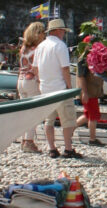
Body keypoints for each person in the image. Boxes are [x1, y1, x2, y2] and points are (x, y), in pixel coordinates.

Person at [33, 18, 82, 159]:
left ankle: (52, 148)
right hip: (60, 88)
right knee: (68, 120)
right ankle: (68, 148)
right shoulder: (60, 46)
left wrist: (41, 81)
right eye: (63, 31)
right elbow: (65, 68)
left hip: (45, 88)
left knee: (49, 120)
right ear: (59, 31)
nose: (63, 33)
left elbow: (35, 68)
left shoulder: (41, 46)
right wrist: (69, 86)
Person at [17, 21, 46, 152]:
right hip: (32, 81)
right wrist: (41, 81)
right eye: (42, 32)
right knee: (33, 113)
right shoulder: (38, 49)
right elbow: (36, 68)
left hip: (21, 80)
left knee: (24, 112)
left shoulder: (24, 47)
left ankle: (24, 140)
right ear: (38, 34)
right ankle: (29, 141)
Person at [75, 55, 104, 145]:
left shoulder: (87, 58)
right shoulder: (83, 60)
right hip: (89, 92)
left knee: (87, 115)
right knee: (93, 115)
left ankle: (70, 129)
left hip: (91, 91)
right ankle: (92, 139)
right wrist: (85, 92)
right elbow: (81, 77)